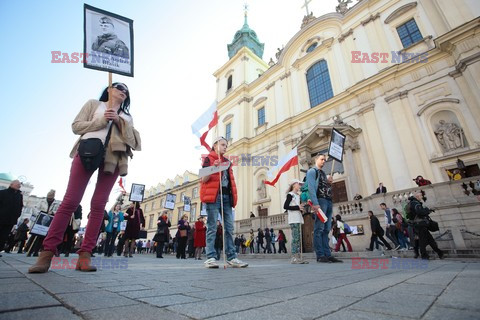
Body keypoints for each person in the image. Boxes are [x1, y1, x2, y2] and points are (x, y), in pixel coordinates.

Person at [29, 82, 141, 273]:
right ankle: (47, 253)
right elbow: (76, 126)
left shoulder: (127, 116)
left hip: (114, 157)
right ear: (109, 89)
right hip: (88, 150)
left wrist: (120, 122)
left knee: (98, 205)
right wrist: (102, 121)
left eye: (126, 90)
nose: (123, 91)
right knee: (70, 201)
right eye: (119, 87)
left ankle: (85, 255)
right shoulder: (93, 105)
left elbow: (134, 142)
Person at [200, 136, 247, 268]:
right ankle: (210, 257)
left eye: (226, 145)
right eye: (222, 145)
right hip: (214, 198)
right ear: (215, 145)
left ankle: (232, 257)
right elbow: (203, 179)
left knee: (229, 228)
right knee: (212, 227)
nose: (225, 147)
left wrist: (233, 197)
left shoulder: (227, 162)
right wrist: (213, 168)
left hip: (226, 197)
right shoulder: (208, 159)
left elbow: (230, 181)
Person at [306, 154, 342, 263]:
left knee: (326, 229)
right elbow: (311, 188)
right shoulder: (312, 171)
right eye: (322, 159)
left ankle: (327, 254)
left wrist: (328, 183)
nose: (323, 161)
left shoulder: (323, 174)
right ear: (316, 160)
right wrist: (315, 204)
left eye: (325, 160)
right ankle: (320, 255)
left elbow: (324, 188)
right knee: (319, 229)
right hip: (320, 202)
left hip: (328, 201)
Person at [409, 192, 444, 260]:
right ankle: (425, 256)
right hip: (421, 224)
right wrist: (427, 210)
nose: (422, 197)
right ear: (417, 197)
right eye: (420, 195)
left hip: (418, 224)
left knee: (430, 240)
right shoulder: (415, 203)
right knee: (422, 241)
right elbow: (420, 212)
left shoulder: (411, 203)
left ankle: (439, 253)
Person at [27, 189, 58, 257]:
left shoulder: (56, 203)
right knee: (34, 235)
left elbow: (57, 211)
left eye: (51, 196)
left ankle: (36, 251)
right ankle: (29, 250)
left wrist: (52, 213)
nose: (49, 197)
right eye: (49, 196)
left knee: (42, 237)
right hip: (40, 219)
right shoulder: (42, 201)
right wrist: (40, 213)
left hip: (48, 220)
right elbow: (35, 208)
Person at [284, 179, 307, 264]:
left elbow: (297, 206)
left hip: (298, 218)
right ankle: (294, 257)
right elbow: (285, 206)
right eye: (299, 184)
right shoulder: (290, 195)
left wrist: (301, 209)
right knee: (295, 238)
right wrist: (297, 207)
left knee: (298, 238)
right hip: (293, 219)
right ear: (294, 185)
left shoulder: (298, 195)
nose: (300, 186)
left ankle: (298, 257)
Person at [0, 180, 23, 258]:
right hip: (1, 218)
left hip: (11, 220)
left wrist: (17, 215)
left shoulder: (19, 195)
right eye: (17, 184)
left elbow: (20, 206)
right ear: (11, 184)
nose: (19, 186)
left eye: (20, 185)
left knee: (4, 236)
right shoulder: (2, 193)